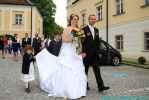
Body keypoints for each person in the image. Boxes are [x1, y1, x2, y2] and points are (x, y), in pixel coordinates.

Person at [36, 14, 87, 100]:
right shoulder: (66, 29)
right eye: (74, 19)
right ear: (70, 20)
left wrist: (79, 45)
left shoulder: (79, 30)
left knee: (77, 69)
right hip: (67, 51)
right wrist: (72, 39)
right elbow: (63, 40)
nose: (75, 21)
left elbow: (80, 42)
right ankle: (65, 91)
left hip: (74, 51)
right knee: (66, 69)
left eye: (77, 19)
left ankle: (79, 91)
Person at [82, 14, 110, 92]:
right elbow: (83, 42)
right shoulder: (84, 29)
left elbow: (97, 42)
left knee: (97, 71)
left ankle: (101, 86)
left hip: (95, 55)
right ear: (88, 20)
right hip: (86, 54)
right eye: (92, 19)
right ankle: (84, 85)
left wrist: (99, 52)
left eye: (94, 19)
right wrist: (83, 52)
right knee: (85, 71)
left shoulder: (96, 30)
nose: (93, 20)